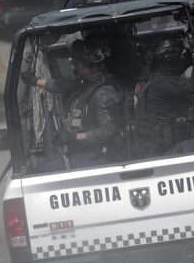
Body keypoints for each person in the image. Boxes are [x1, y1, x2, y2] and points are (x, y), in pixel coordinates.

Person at [21, 38, 123, 168]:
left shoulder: (103, 93)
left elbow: (108, 130)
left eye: (77, 63)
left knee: (46, 169)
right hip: (82, 154)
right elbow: (61, 86)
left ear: (91, 65)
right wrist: (35, 81)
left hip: (99, 157)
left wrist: (75, 137)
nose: (73, 66)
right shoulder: (86, 84)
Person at [133, 31, 194, 157]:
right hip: (168, 148)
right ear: (169, 59)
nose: (183, 59)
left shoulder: (157, 78)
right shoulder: (162, 83)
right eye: (180, 56)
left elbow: (179, 81)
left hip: (164, 145)